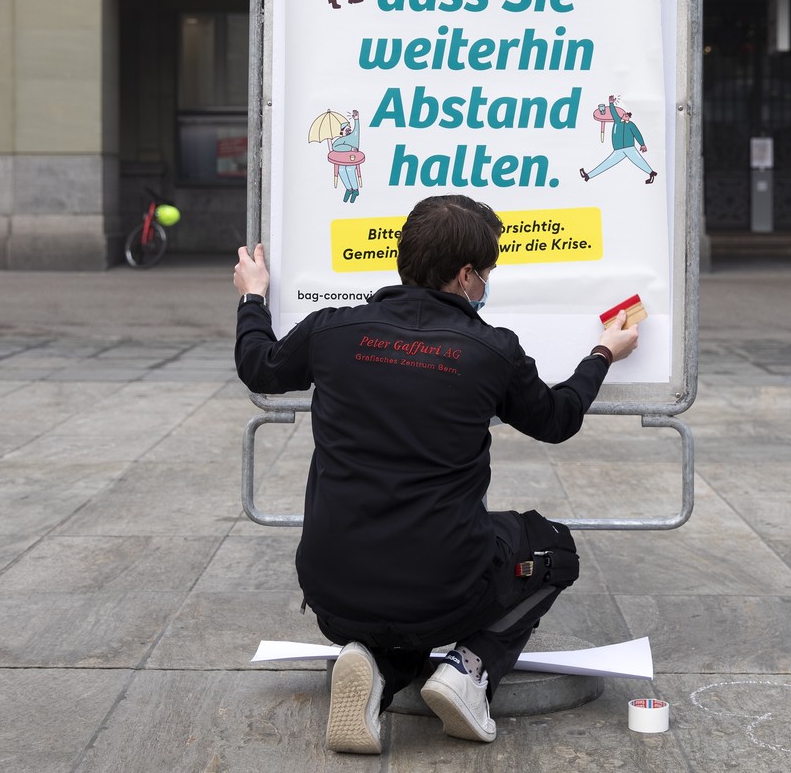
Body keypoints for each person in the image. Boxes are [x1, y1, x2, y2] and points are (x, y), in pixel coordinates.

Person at [233, 194, 639, 755]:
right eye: (488, 271)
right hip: (444, 587)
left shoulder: (332, 331)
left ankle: (375, 664)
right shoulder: (491, 350)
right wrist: (602, 354)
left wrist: (253, 296)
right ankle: (468, 671)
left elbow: (258, 365)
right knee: (553, 549)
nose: (488, 282)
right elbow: (557, 419)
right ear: (467, 275)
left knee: (400, 597)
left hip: (332, 591)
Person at [580, 96, 657, 184]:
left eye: (626, 116)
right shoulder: (617, 121)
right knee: (607, 163)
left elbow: (637, 134)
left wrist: (642, 144)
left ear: (629, 118)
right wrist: (611, 103)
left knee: (639, 161)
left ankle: (651, 174)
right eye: (624, 115)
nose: (625, 117)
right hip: (619, 149)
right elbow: (613, 112)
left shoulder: (631, 125)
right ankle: (588, 176)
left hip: (629, 148)